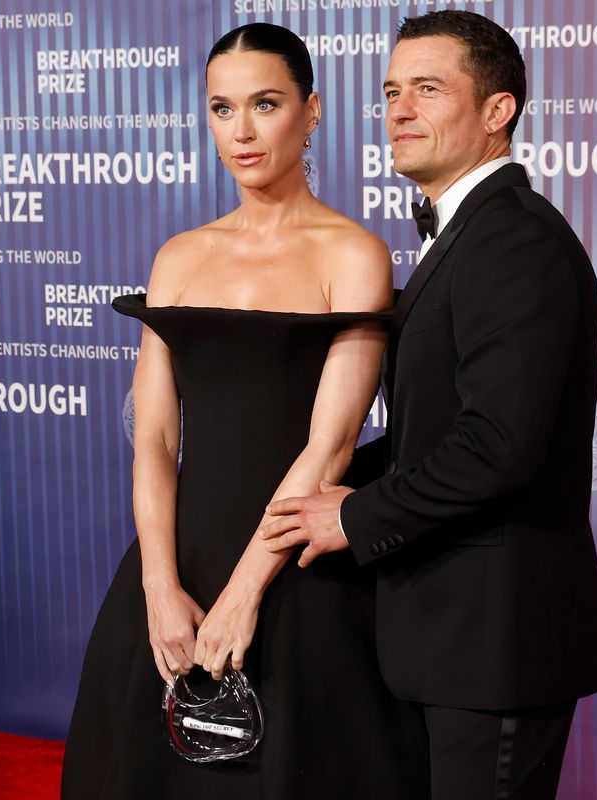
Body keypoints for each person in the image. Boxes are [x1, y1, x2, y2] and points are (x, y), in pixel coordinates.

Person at [61, 23, 426, 799]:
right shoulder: (179, 257)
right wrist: (161, 584)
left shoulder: (353, 255)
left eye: (265, 104)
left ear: (312, 110)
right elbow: (155, 439)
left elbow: (331, 446)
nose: (244, 130)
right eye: (223, 109)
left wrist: (241, 593)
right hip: (180, 560)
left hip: (298, 563)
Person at [261, 10, 597, 799]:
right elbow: (437, 431)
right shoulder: (471, 235)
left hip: (496, 644)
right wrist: (320, 482)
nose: (398, 110)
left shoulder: (513, 241)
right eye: (391, 91)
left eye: (427, 88)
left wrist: (351, 517)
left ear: (499, 112)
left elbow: (497, 446)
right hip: (447, 635)